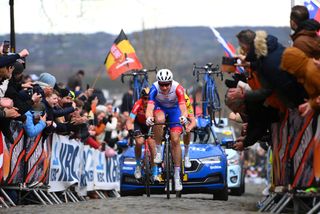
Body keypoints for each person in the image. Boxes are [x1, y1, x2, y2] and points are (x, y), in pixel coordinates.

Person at [145, 69, 188, 191]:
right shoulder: (154, 88)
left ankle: (176, 175)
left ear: (171, 82)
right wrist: (148, 117)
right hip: (160, 108)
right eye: (161, 84)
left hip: (175, 110)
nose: (164, 88)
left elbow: (183, 107)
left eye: (167, 84)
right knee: (159, 119)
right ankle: (158, 150)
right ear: (158, 83)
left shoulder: (178, 88)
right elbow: (149, 107)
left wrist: (184, 117)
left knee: (175, 139)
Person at [126, 87, 158, 180]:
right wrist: (131, 130)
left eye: (148, 98)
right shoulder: (138, 104)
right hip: (139, 124)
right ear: (141, 98)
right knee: (139, 142)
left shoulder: (154, 104)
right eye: (144, 98)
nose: (146, 101)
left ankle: (155, 170)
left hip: (150, 124)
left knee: (152, 144)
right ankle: (138, 165)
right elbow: (130, 120)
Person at [183, 93, 196, 168]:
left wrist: (189, 128)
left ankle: (186, 154)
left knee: (187, 126)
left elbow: (193, 121)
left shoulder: (188, 104)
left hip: (183, 120)